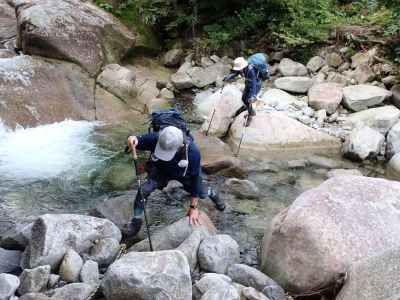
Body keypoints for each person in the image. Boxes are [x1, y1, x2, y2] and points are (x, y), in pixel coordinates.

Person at [126, 125, 225, 237]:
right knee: (143, 190)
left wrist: (193, 207)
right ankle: (136, 221)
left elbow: (196, 179)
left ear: (180, 146)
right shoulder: (157, 138)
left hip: (184, 174)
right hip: (161, 170)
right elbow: (136, 140)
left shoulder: (193, 152)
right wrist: (132, 139)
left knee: (201, 192)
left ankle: (212, 192)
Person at [223, 57, 263, 127]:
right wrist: (228, 77)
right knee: (244, 98)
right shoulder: (241, 69)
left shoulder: (251, 70)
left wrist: (253, 96)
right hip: (248, 83)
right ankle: (251, 111)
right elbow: (235, 74)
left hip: (256, 85)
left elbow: (254, 83)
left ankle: (250, 116)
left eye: (239, 68)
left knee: (249, 99)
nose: (238, 69)